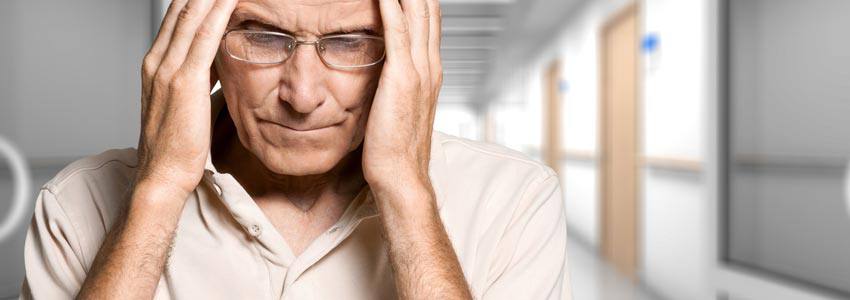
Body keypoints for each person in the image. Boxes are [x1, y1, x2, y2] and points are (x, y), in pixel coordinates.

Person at [20, 0, 572, 299]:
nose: (302, 96)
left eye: (350, 42)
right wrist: (157, 190)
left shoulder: (515, 202)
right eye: (263, 35)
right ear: (201, 49)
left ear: (410, 59)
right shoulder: (76, 203)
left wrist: (406, 192)